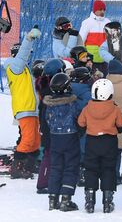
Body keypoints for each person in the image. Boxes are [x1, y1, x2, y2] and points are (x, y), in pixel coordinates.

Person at [78, 78, 122, 213]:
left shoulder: (87, 108)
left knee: (91, 170)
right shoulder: (114, 109)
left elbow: (80, 124)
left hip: (92, 142)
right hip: (109, 142)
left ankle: (89, 200)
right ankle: (107, 201)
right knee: (108, 170)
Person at [5, 28, 42, 179]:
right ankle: (17, 168)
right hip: (24, 108)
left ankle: (29, 165)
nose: (28, 56)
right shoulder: (14, 67)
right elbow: (22, 56)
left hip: (32, 109)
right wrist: (29, 39)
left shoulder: (24, 70)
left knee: (35, 140)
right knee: (27, 139)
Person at [44, 73, 80, 212]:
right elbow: (78, 117)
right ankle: (66, 198)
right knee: (71, 167)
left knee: (55, 167)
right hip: (70, 137)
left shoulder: (50, 105)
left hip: (55, 137)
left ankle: (53, 199)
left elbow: (47, 120)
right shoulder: (72, 103)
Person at [35, 59, 66, 191]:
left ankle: (53, 179)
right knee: (49, 154)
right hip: (49, 126)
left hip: (49, 125)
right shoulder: (50, 89)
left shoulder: (46, 86)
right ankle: (43, 183)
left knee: (54, 153)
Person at [79, 0, 111, 74]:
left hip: (104, 59)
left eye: (103, 10)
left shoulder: (108, 23)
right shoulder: (87, 22)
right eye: (100, 9)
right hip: (91, 60)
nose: (102, 12)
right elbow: (81, 41)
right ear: (95, 10)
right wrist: (83, 58)